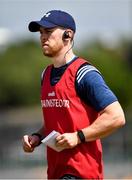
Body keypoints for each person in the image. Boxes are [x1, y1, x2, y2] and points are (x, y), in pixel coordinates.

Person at [22, 10, 125, 179]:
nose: (42, 37)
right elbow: (58, 122)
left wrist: (78, 136)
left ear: (67, 35)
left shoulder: (84, 73)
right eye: (41, 33)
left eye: (48, 31)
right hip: (56, 172)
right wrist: (37, 137)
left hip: (80, 173)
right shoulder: (45, 74)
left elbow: (116, 116)